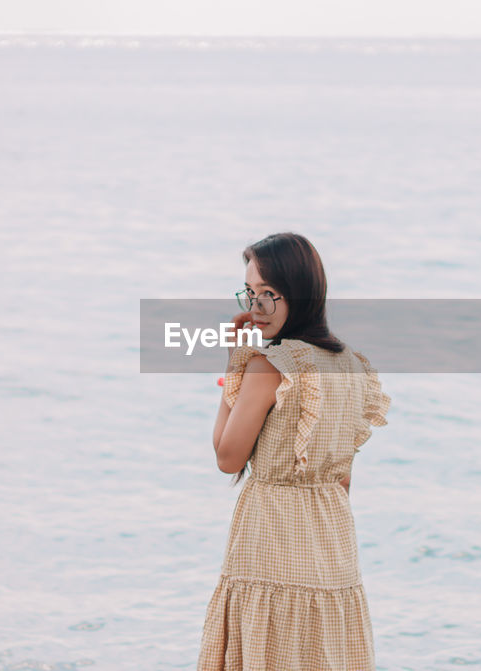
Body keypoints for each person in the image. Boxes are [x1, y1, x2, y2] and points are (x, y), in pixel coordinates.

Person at [197, 232, 391, 670]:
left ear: (300, 295)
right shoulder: (351, 366)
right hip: (332, 544)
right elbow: (342, 479)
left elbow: (227, 456)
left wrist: (235, 366)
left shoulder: (269, 365)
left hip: (270, 539)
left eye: (270, 295)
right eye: (250, 293)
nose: (256, 308)